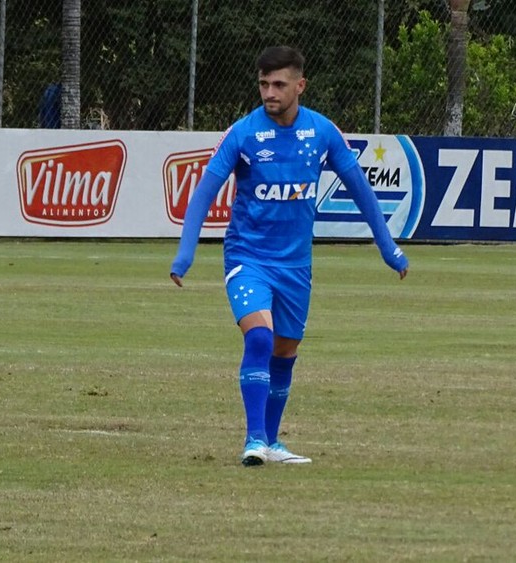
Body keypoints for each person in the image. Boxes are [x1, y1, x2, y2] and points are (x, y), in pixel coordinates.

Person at [170, 46, 409, 467]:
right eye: (263, 84)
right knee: (259, 338)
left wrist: (388, 248)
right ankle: (254, 440)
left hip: (296, 265)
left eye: (279, 84)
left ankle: (272, 441)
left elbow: (361, 190)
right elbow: (204, 193)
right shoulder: (243, 133)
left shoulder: (322, 132)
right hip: (248, 257)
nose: (269, 92)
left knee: (284, 352)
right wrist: (184, 255)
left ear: (300, 85)